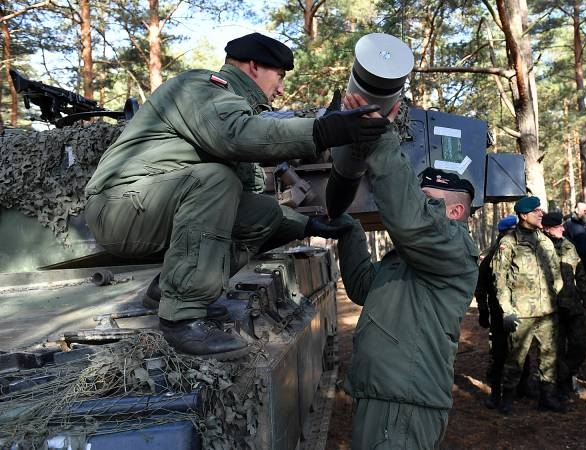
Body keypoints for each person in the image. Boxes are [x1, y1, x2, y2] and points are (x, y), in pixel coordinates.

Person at [84, 33, 388, 360]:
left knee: (263, 213)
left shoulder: (233, 109)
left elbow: (243, 204)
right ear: (254, 66)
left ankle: (167, 291)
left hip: (147, 208)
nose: (282, 89)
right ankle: (181, 318)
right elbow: (235, 137)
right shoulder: (200, 88)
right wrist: (321, 130)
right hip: (117, 207)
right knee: (215, 180)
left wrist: (307, 225)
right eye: (280, 77)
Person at [334, 95, 479, 448]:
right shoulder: (411, 257)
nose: (420, 205)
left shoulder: (455, 248)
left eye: (429, 201)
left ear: (456, 212)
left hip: (404, 407)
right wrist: (348, 228)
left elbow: (409, 220)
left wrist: (381, 138)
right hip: (387, 398)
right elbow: (364, 288)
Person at [492, 196, 565, 414]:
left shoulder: (544, 240)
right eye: (536, 211)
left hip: (547, 311)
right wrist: (507, 310)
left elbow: (556, 272)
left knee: (549, 356)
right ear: (524, 215)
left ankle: (547, 398)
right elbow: (500, 279)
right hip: (521, 313)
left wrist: (555, 295)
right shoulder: (509, 243)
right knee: (516, 359)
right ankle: (508, 399)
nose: (541, 214)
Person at [475, 214, 533, 409]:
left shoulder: (524, 250)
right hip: (499, 312)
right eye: (512, 231)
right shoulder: (491, 255)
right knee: (499, 352)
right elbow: (481, 285)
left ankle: (522, 386)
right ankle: (495, 393)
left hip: (522, 310)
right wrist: (483, 311)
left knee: (523, 350)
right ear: (504, 233)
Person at [541, 212, 586, 399]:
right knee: (556, 348)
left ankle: (567, 374)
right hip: (551, 308)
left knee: (580, 346)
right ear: (546, 229)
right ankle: (561, 384)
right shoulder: (540, 247)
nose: (563, 228)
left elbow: (581, 273)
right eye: (558, 226)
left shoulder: (568, 245)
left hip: (573, 305)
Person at [564, 202, 586, 311]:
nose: (585, 212)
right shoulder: (569, 224)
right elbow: (566, 241)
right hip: (578, 258)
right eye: (583, 210)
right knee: (582, 281)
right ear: (576, 210)